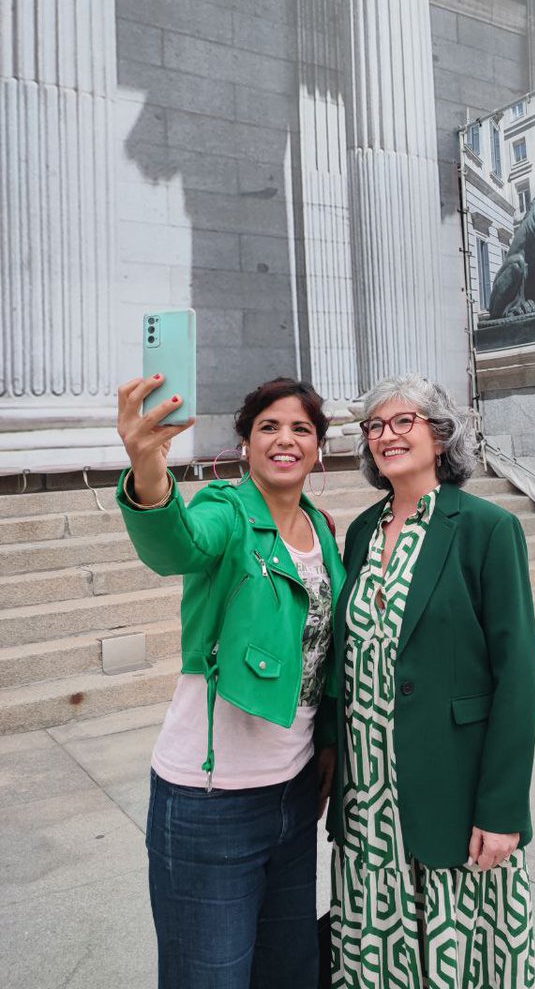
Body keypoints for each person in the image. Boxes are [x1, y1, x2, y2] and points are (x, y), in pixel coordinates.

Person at [115, 373, 345, 989]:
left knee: (288, 971)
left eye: (301, 428)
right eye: (268, 427)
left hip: (294, 797)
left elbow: (326, 658)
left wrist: (326, 741)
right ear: (245, 444)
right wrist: (147, 471)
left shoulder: (322, 532)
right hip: (208, 802)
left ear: (318, 447)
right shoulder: (226, 509)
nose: (285, 439)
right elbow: (179, 546)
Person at [326, 373, 535, 988]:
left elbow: (517, 677)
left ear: (440, 436)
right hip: (369, 801)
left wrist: (503, 810)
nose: (387, 436)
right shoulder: (363, 532)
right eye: (375, 427)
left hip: (451, 789)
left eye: (403, 422)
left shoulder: (486, 530)